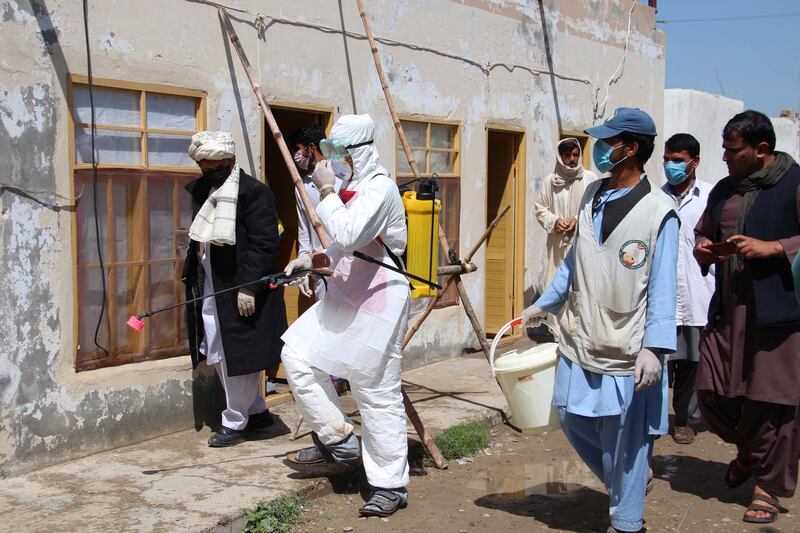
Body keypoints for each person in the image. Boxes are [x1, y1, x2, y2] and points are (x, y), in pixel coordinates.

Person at [524, 108, 679, 533]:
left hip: (628, 345)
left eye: (609, 141)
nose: (601, 149)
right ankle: (626, 484)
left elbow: (664, 285)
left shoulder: (658, 212)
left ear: (630, 148)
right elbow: (576, 260)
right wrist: (546, 302)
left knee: (625, 440)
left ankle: (627, 522)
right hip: (581, 335)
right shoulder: (593, 195)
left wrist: (656, 346)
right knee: (572, 418)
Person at [280, 114, 411, 517]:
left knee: (375, 389)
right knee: (297, 355)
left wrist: (325, 190)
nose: (333, 160)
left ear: (361, 151)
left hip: (380, 298)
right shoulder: (348, 187)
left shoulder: (380, 189)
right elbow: (341, 245)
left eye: (340, 153)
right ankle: (339, 441)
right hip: (347, 289)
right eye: (330, 152)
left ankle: (390, 484)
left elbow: (352, 233)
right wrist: (309, 260)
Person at [693, 110, 800, 525]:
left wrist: (774, 247)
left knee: (773, 400)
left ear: (762, 150)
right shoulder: (724, 189)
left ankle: (768, 487)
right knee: (713, 392)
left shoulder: (793, 183)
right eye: (723, 146)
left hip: (778, 314)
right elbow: (705, 230)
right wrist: (705, 246)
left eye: (732, 150)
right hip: (729, 309)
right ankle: (752, 453)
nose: (724, 156)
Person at [182, 131, 287, 447]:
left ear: (228, 162)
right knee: (216, 350)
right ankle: (257, 412)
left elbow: (265, 245)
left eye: (214, 167)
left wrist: (250, 288)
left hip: (241, 289)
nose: (208, 172)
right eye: (203, 167)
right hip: (213, 286)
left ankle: (234, 422)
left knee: (236, 356)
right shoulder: (205, 191)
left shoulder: (255, 194)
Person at [661, 133, 715, 444]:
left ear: (694, 162)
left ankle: (683, 419)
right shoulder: (656, 198)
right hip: (665, 296)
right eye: (667, 160)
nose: (671, 166)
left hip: (699, 293)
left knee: (692, 361)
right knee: (665, 361)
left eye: (678, 161)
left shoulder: (710, 197)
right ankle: (656, 419)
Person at [534, 137, 597, 338]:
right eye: (567, 155)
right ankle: (558, 338)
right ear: (560, 157)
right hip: (558, 246)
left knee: (581, 290)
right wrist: (555, 221)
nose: (571, 159)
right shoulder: (551, 181)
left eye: (575, 155)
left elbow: (596, 207)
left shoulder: (589, 179)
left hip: (583, 245)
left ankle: (580, 337)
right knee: (556, 288)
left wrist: (577, 220)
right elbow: (540, 208)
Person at [290, 124, 342, 299]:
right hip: (319, 267)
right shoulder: (301, 187)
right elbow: (304, 232)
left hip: (346, 264)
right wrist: (304, 266)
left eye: (299, 150)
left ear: (311, 148)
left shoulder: (341, 178)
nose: (297, 156)